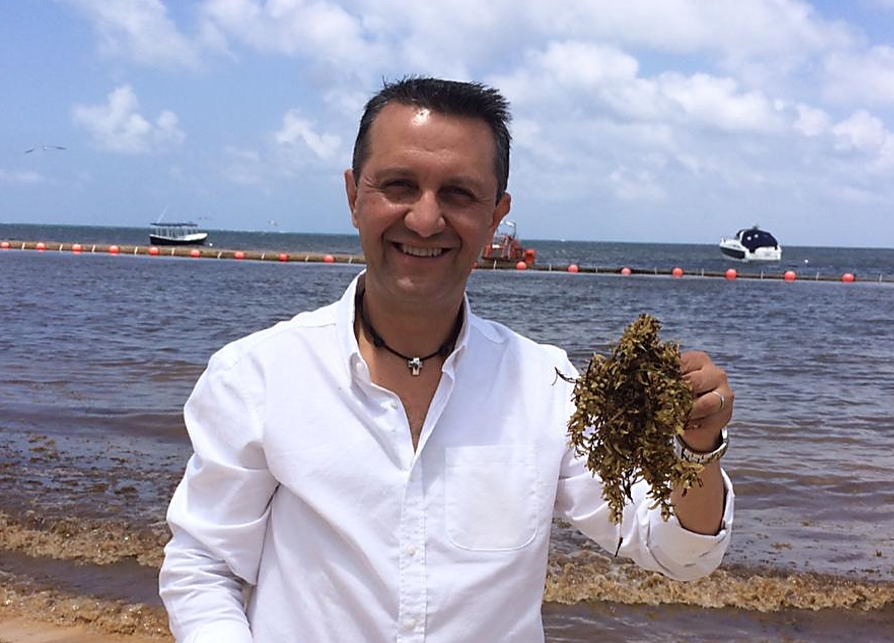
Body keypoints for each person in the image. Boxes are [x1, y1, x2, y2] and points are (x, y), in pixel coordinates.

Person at [159, 77, 735, 643]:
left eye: (459, 193)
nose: (426, 219)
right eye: (399, 185)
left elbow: (676, 553)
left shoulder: (548, 387)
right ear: (353, 195)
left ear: (495, 215)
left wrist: (697, 447)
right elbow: (205, 566)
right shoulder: (257, 375)